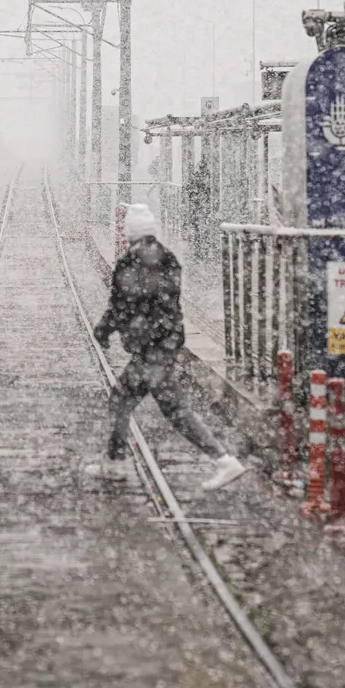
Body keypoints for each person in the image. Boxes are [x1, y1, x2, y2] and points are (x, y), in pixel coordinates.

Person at [90, 203, 246, 490]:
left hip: (153, 349)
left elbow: (121, 304)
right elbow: (158, 301)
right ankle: (113, 462)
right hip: (163, 343)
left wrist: (104, 329)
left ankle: (224, 460)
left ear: (131, 233)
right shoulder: (168, 256)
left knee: (173, 409)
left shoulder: (132, 261)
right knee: (122, 399)